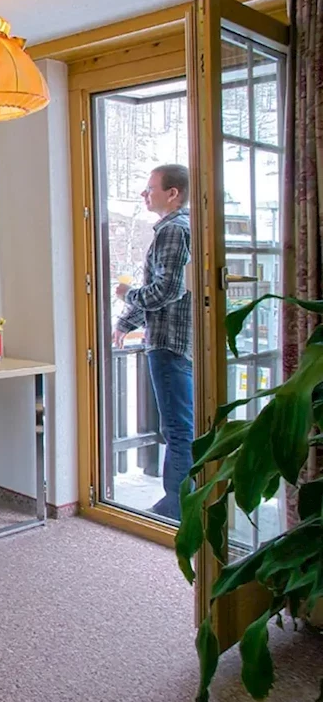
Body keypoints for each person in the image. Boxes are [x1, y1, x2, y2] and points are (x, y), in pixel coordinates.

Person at [113, 164, 194, 521]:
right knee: (181, 425)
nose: (144, 194)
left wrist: (126, 294)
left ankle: (177, 507)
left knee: (177, 428)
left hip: (169, 344)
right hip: (178, 341)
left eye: (150, 188)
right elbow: (167, 291)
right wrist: (125, 322)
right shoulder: (184, 228)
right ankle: (182, 502)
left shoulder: (173, 230)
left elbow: (166, 290)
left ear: (172, 193)